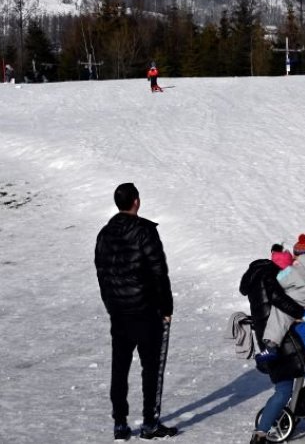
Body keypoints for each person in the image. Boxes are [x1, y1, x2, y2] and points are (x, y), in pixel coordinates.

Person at [95, 183, 178, 441]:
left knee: (119, 368)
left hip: (119, 312)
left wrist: (111, 304)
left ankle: (120, 423)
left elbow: (102, 273)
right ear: (136, 201)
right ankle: (150, 423)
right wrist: (166, 308)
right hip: (145, 312)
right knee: (151, 368)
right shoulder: (145, 232)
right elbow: (158, 272)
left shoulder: (105, 234)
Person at [245, 236, 305, 444]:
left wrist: (278, 261)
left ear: (297, 255)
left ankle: (259, 435)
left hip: (287, 332)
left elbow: (276, 287)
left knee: (283, 388)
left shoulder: (291, 272)